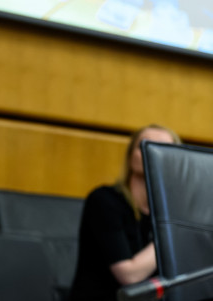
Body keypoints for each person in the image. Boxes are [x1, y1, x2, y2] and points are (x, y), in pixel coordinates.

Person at [69, 124, 182, 300]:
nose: (151, 153)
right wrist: (176, 232)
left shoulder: (170, 211)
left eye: (162, 148)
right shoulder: (104, 200)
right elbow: (129, 275)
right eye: (144, 146)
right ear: (130, 157)